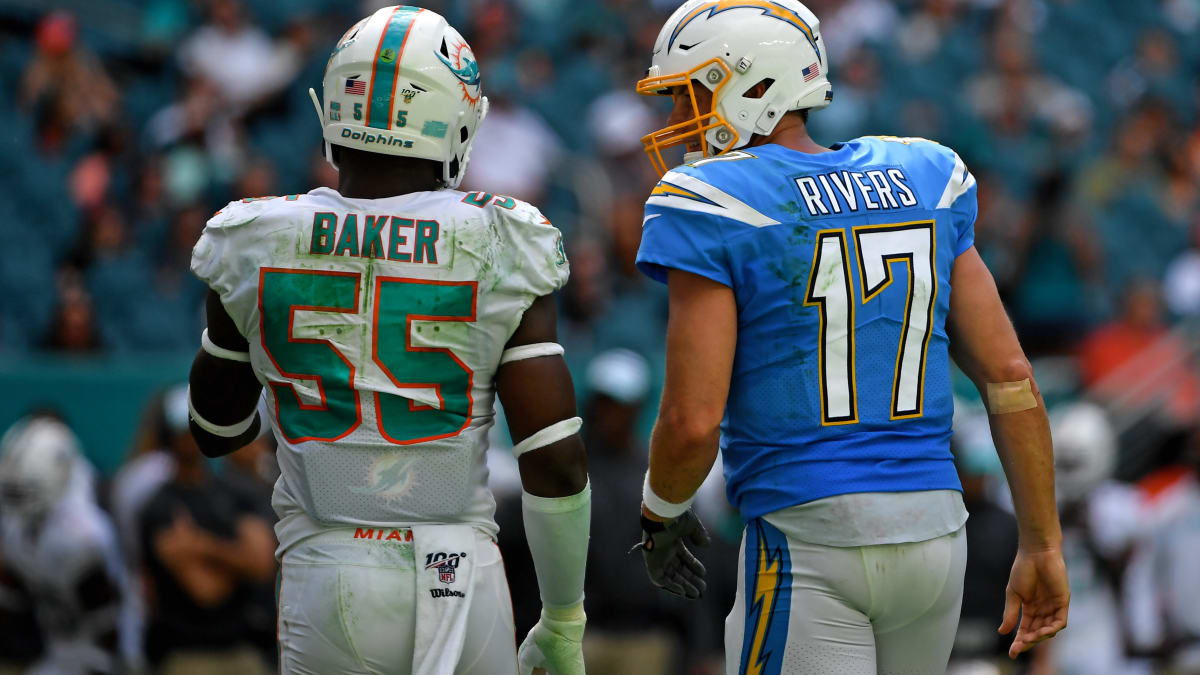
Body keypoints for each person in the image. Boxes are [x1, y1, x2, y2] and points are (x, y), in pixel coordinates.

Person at [630, 2, 1069, 673]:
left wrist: (661, 512)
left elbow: (692, 421)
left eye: (689, 94)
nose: (674, 121)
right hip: (935, 530)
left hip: (808, 531)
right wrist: (1042, 543)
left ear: (750, 85)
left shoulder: (713, 198)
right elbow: (1011, 376)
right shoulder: (924, 174)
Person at [185, 7, 589, 675]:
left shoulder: (254, 239)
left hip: (329, 566)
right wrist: (564, 618)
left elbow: (216, 428)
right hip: (463, 567)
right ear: (455, 121)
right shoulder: (499, 240)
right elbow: (555, 460)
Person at [137, 391, 277, 674]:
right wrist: (239, 560)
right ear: (168, 438)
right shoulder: (159, 507)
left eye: (195, 429)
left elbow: (262, 565)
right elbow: (206, 591)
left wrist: (202, 547)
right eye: (182, 430)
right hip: (188, 655)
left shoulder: (235, 492)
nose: (190, 438)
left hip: (245, 651)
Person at [0, 414, 139, 674]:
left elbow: (106, 625)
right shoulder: (19, 526)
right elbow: (12, 593)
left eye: (24, 489)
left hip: (93, 656)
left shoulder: (83, 538)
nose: (16, 500)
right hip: (56, 648)